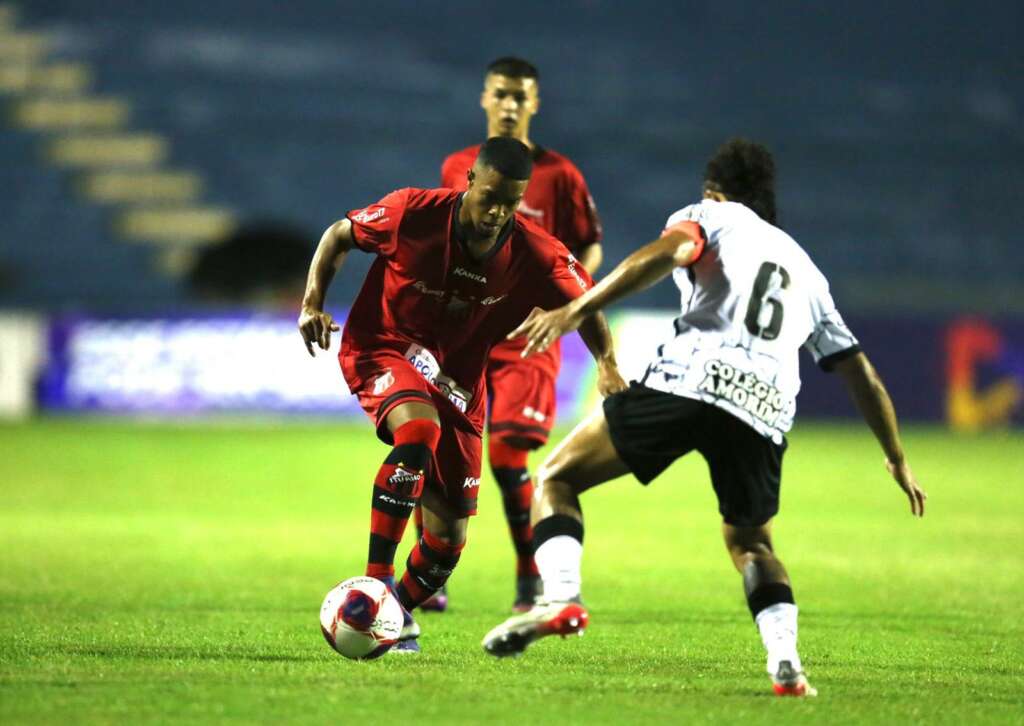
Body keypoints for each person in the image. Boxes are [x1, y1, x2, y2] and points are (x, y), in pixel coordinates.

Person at [481, 138, 927, 696]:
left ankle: (561, 599)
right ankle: (786, 663)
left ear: (715, 191)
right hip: (764, 408)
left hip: (691, 379)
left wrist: (577, 308)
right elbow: (861, 374)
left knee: (557, 478)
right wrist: (895, 456)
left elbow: (668, 252)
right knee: (752, 545)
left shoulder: (709, 215)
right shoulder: (809, 274)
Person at [298, 137, 624, 654]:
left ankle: (392, 614)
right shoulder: (412, 212)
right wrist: (312, 302)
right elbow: (340, 235)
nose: (498, 212)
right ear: (469, 180)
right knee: (418, 429)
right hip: (382, 348)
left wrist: (607, 365)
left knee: (446, 547)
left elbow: (586, 301)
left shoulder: (535, 252)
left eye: (511, 202)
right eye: (490, 196)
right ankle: (376, 584)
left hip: (458, 385)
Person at [418, 57, 604, 613]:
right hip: (465, 332)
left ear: (534, 105)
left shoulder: (561, 174)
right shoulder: (457, 167)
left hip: (529, 333)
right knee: (431, 445)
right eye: (500, 94)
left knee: (505, 455)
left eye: (520, 97)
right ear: (484, 98)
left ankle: (531, 577)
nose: (509, 105)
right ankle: (430, 574)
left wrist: (571, 296)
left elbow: (588, 244)